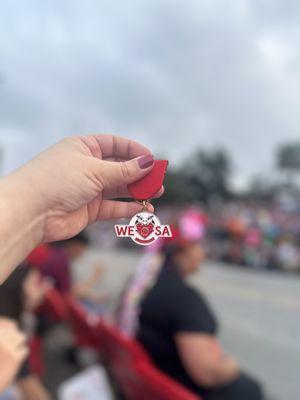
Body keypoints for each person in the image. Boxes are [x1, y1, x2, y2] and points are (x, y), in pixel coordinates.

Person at [0, 134, 161, 392]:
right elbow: (68, 297)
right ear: (75, 245)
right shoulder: (58, 261)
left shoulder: (47, 252)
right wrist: (95, 282)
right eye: (83, 250)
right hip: (38, 325)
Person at [118, 226, 264, 400]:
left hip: (155, 382)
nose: (202, 252)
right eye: (198, 245)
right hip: (176, 389)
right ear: (183, 252)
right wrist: (232, 365)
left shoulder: (142, 286)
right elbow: (207, 373)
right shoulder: (181, 297)